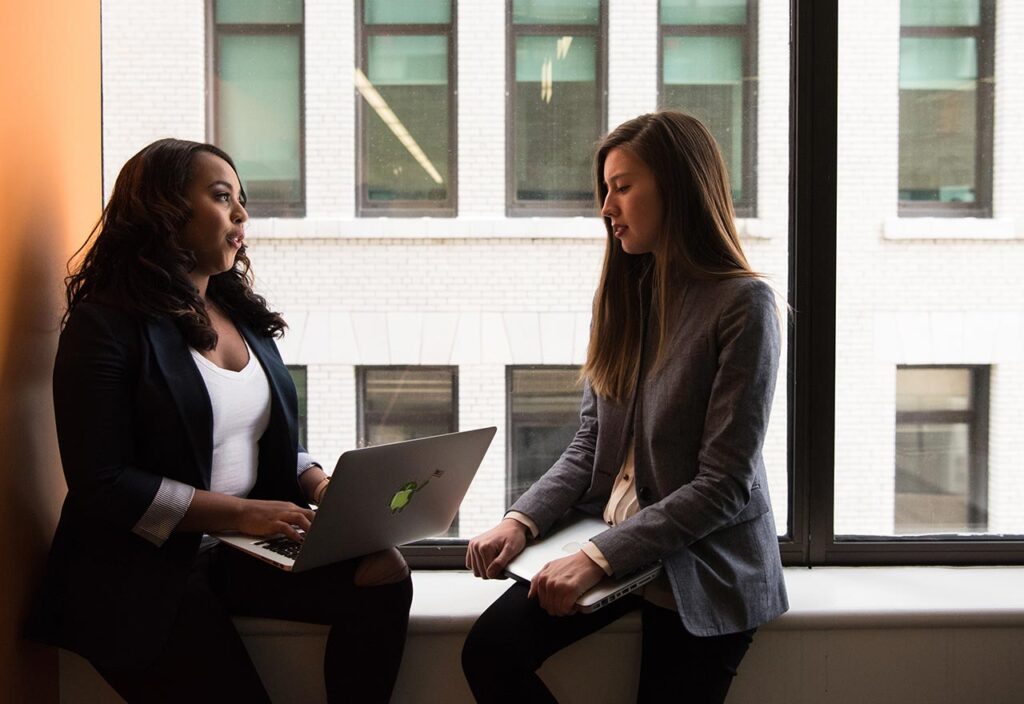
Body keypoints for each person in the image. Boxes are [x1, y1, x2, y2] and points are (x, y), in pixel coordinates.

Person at [28, 139, 412, 703]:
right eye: (221, 196)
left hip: (232, 551)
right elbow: (101, 483)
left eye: (242, 200)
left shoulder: (239, 315)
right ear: (163, 209)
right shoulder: (103, 325)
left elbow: (260, 439)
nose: (241, 214)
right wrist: (244, 513)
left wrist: (323, 485)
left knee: (382, 571)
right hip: (138, 571)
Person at [462, 112, 788, 703]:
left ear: (678, 185)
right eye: (604, 190)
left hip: (703, 560)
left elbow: (724, 485)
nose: (606, 207)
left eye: (623, 186)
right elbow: (591, 447)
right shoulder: (622, 297)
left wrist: (597, 559)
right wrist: (521, 521)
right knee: (489, 652)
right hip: (615, 536)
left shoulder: (745, 304)